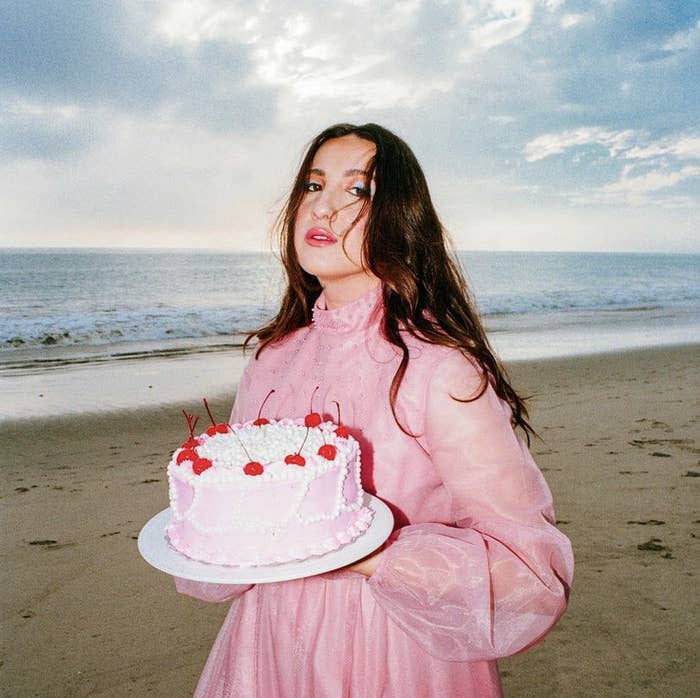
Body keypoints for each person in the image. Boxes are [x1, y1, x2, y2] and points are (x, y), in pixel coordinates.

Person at [175, 123, 574, 697]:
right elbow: (239, 515)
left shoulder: (437, 368)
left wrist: (368, 550)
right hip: (268, 645)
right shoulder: (272, 359)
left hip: (395, 650)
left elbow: (529, 572)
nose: (325, 206)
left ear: (399, 218)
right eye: (313, 186)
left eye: (357, 191)